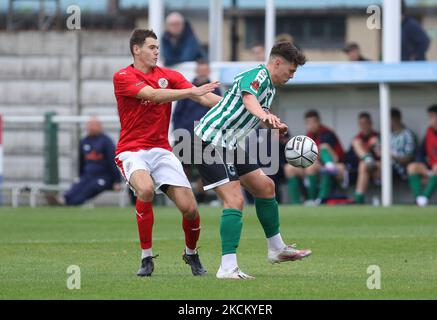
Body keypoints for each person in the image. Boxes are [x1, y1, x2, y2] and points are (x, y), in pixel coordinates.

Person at [194, 41, 311, 280]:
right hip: (209, 141)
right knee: (235, 199)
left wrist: (272, 123)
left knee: (266, 186)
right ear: (278, 62)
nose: (291, 75)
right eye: (291, 70)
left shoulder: (271, 88)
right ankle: (227, 268)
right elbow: (249, 100)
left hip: (228, 143)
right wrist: (263, 114)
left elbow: (253, 110)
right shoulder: (256, 75)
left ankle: (277, 249)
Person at [113, 29, 221, 277]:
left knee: (190, 209)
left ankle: (191, 253)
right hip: (131, 151)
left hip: (161, 150)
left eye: (157, 47)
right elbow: (153, 95)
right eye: (151, 47)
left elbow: (204, 99)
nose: (156, 51)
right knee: (146, 189)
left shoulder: (169, 75)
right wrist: (191, 91)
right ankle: (146, 257)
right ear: (136, 49)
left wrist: (245, 108)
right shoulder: (122, 76)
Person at [172, 59, 222, 203]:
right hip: (186, 135)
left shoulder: (215, 89)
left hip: (205, 136)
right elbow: (177, 114)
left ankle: (200, 199)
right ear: (197, 70)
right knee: (183, 168)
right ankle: (184, 197)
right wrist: (178, 132)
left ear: (208, 71)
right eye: (200, 69)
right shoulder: (189, 88)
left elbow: (219, 112)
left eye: (204, 69)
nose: (202, 71)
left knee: (204, 169)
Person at [46, 117, 122, 206]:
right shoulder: (84, 141)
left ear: (100, 126)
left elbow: (113, 161)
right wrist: (80, 175)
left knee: (90, 188)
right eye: (89, 125)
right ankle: (63, 199)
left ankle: (68, 203)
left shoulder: (106, 141)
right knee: (77, 186)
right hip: (88, 175)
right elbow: (81, 161)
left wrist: (117, 181)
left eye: (93, 125)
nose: (91, 127)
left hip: (104, 176)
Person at [284, 110, 346, 205]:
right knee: (289, 168)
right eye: (309, 123)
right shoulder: (308, 135)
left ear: (318, 122)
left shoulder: (327, 133)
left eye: (314, 122)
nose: (312, 125)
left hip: (335, 167)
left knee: (316, 158)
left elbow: (335, 157)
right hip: (315, 166)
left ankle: (312, 200)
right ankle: (296, 204)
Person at [407, 105, 437, 207]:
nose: (431, 120)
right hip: (432, 167)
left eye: (433, 117)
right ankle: (419, 198)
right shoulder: (429, 132)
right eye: (430, 117)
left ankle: (425, 199)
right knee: (412, 167)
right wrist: (423, 166)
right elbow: (421, 153)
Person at [347, 112, 381, 204]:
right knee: (363, 164)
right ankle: (367, 158)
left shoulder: (379, 136)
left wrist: (376, 146)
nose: (364, 126)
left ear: (370, 123)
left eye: (366, 123)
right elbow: (351, 159)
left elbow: (383, 156)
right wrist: (368, 147)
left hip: (378, 168)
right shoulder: (357, 138)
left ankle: (358, 199)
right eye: (361, 123)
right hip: (363, 169)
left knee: (365, 164)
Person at [391, 108, 416, 180]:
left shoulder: (408, 135)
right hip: (386, 166)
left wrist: (391, 157)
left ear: (395, 119)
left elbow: (408, 158)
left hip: (400, 169)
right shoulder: (388, 135)